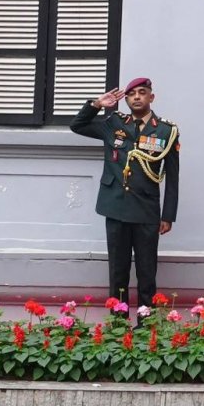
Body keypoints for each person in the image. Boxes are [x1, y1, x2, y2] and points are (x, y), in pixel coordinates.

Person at [70, 77, 180, 312]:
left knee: (147, 272)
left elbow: (173, 176)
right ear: (126, 99)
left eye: (142, 92)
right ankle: (118, 326)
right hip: (116, 207)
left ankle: (145, 325)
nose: (137, 97)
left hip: (146, 210)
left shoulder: (165, 131)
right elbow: (77, 125)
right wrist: (97, 104)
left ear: (152, 97)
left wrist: (167, 215)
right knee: (118, 271)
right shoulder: (114, 124)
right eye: (131, 94)